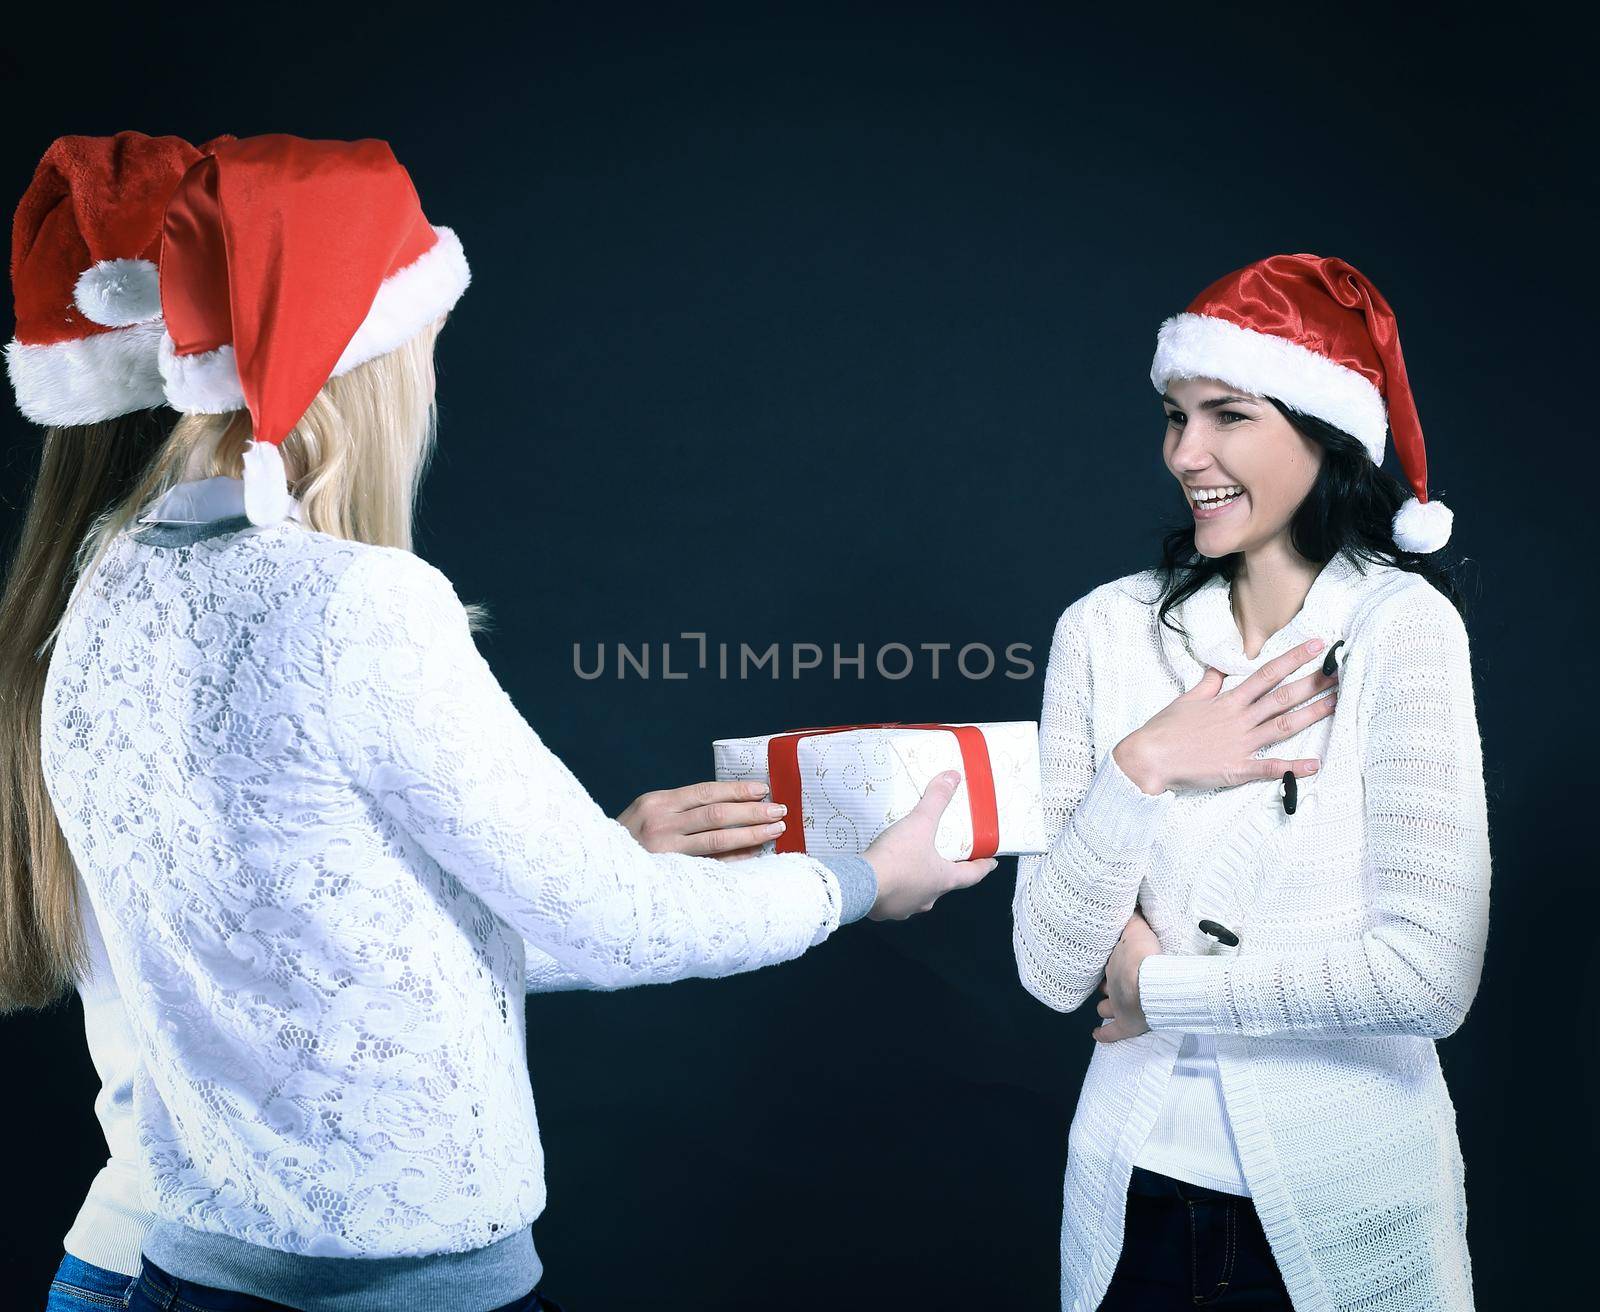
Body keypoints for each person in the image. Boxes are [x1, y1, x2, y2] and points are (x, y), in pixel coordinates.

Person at [17, 134, 993, 1312]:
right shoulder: (358, 602)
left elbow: (321, 936)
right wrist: (859, 880)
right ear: (367, 360)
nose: (430, 378)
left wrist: (580, 860)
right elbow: (617, 928)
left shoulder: (100, 589)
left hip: (176, 1272)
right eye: (422, 343)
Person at [1011, 254, 1490, 1310]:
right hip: (1130, 1209)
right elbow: (1048, 964)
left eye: (1226, 414)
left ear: (1327, 433)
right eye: (1174, 416)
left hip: (1347, 1207)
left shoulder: (1401, 630)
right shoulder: (1102, 632)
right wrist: (1144, 765)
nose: (1187, 453)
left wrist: (1154, 985)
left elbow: (1425, 980)